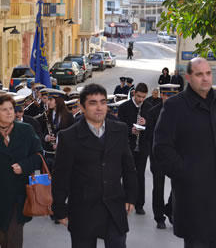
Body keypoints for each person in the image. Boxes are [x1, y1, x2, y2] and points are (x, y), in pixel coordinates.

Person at [153, 57, 216, 248]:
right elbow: (162, 148)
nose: (205, 79)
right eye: (199, 74)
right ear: (188, 77)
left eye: (208, 73)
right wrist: (185, 173)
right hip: (193, 198)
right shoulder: (175, 106)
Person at [52, 83, 138, 248]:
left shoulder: (119, 130)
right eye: (93, 103)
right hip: (83, 210)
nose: (99, 107)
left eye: (103, 102)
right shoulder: (69, 137)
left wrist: (131, 196)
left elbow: (128, 167)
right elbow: (61, 176)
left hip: (114, 207)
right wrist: (60, 209)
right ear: (82, 107)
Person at [0, 94, 42, 248]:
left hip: (20, 193)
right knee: (3, 233)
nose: (10, 112)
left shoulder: (26, 130)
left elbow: (38, 155)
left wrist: (24, 166)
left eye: (11, 108)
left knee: (14, 233)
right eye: (4, 110)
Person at [146, 84, 180, 229]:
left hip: (175, 157)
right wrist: (152, 157)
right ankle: (159, 217)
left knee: (179, 185)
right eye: (166, 95)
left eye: (172, 95)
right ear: (162, 95)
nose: (169, 98)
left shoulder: (182, 111)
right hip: (158, 156)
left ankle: (170, 209)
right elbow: (149, 136)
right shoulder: (153, 112)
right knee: (158, 188)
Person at [118, 82, 152, 215]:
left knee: (140, 175)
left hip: (142, 148)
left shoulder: (149, 108)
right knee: (127, 174)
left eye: (144, 97)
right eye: (139, 96)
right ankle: (126, 200)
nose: (141, 100)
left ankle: (139, 204)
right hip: (127, 147)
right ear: (134, 93)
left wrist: (146, 123)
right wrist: (130, 130)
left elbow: (153, 130)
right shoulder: (124, 107)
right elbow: (119, 126)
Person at [41, 89, 74, 171]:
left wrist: (60, 144)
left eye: (51, 100)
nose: (48, 102)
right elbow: (41, 131)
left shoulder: (69, 116)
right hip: (50, 153)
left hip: (64, 153)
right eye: (48, 99)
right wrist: (46, 137)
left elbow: (72, 135)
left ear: (58, 101)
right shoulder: (46, 115)